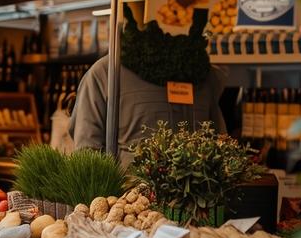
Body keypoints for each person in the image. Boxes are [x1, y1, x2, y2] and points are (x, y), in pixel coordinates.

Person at [69, 41, 226, 165]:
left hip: (195, 200)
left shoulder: (203, 76)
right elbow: (88, 153)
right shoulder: (107, 72)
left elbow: (219, 144)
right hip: (128, 200)